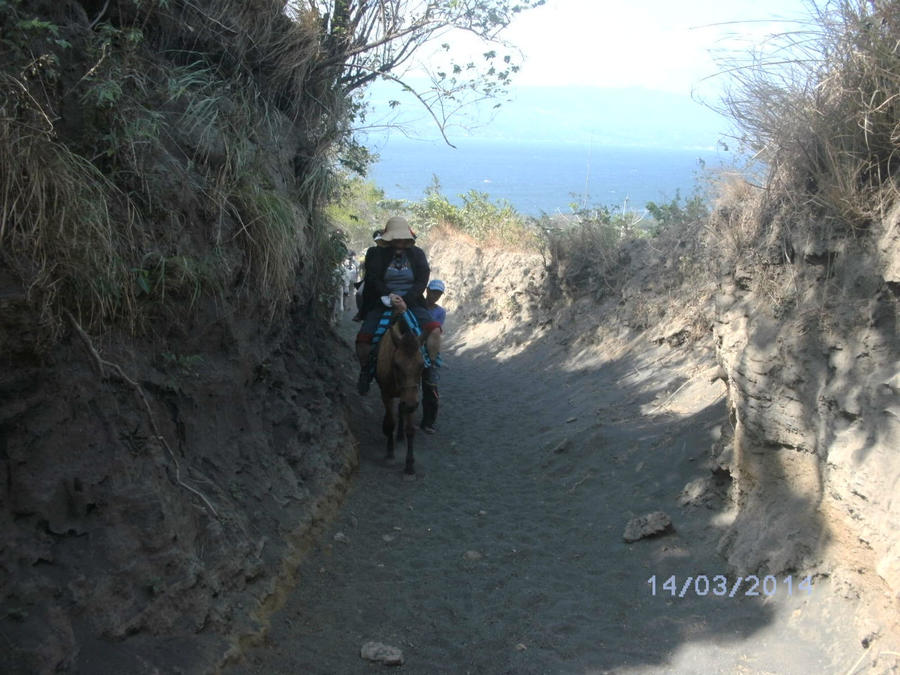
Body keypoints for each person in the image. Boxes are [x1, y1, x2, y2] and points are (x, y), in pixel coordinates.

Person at [356, 216, 439, 395]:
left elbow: (422, 278)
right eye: (396, 240)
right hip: (383, 300)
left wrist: (406, 300)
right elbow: (373, 278)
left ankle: (431, 367)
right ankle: (366, 371)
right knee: (363, 340)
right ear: (389, 239)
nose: (400, 243)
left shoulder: (417, 254)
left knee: (434, 331)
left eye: (403, 239)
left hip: (413, 300)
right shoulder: (375, 254)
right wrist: (389, 295)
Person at [420, 279, 446, 433]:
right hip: (413, 345)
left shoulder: (440, 312)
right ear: (427, 290)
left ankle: (428, 422)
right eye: (433, 291)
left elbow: (432, 332)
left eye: (438, 293)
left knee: (431, 388)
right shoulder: (416, 306)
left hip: (429, 351)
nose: (434, 295)